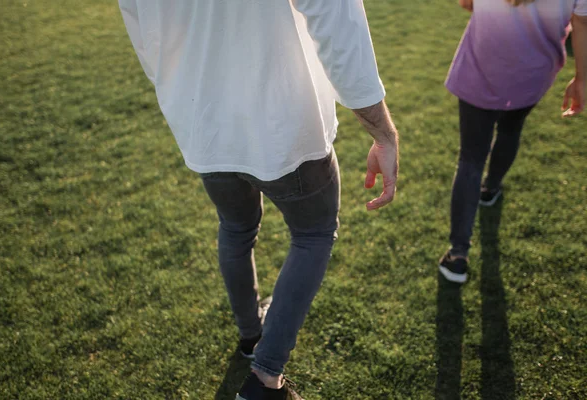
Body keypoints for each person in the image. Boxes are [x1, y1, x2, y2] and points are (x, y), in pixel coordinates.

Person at [118, 1, 399, 398]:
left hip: (205, 120)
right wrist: (382, 132)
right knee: (313, 233)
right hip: (283, 118)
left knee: (236, 227)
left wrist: (181, 97)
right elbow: (335, 16)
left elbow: (143, 30)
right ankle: (265, 377)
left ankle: (252, 337)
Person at [439, 0, 587, 284]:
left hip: (481, 67)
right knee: (510, 131)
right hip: (534, 72)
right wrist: (581, 78)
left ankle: (458, 256)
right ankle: (490, 189)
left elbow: (467, 3)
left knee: (471, 157)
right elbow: (582, 24)